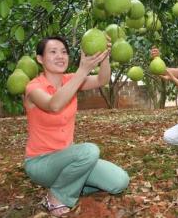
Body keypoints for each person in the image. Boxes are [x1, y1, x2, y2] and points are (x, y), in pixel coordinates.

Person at [23, 36, 129, 217]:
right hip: (41, 163)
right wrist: (82, 71)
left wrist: (105, 58)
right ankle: (55, 197)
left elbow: (102, 80)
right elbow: (54, 105)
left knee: (119, 182)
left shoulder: (70, 80)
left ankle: (71, 183)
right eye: (53, 52)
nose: (60, 56)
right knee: (89, 151)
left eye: (64, 52)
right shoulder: (33, 88)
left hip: (70, 161)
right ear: (40, 59)